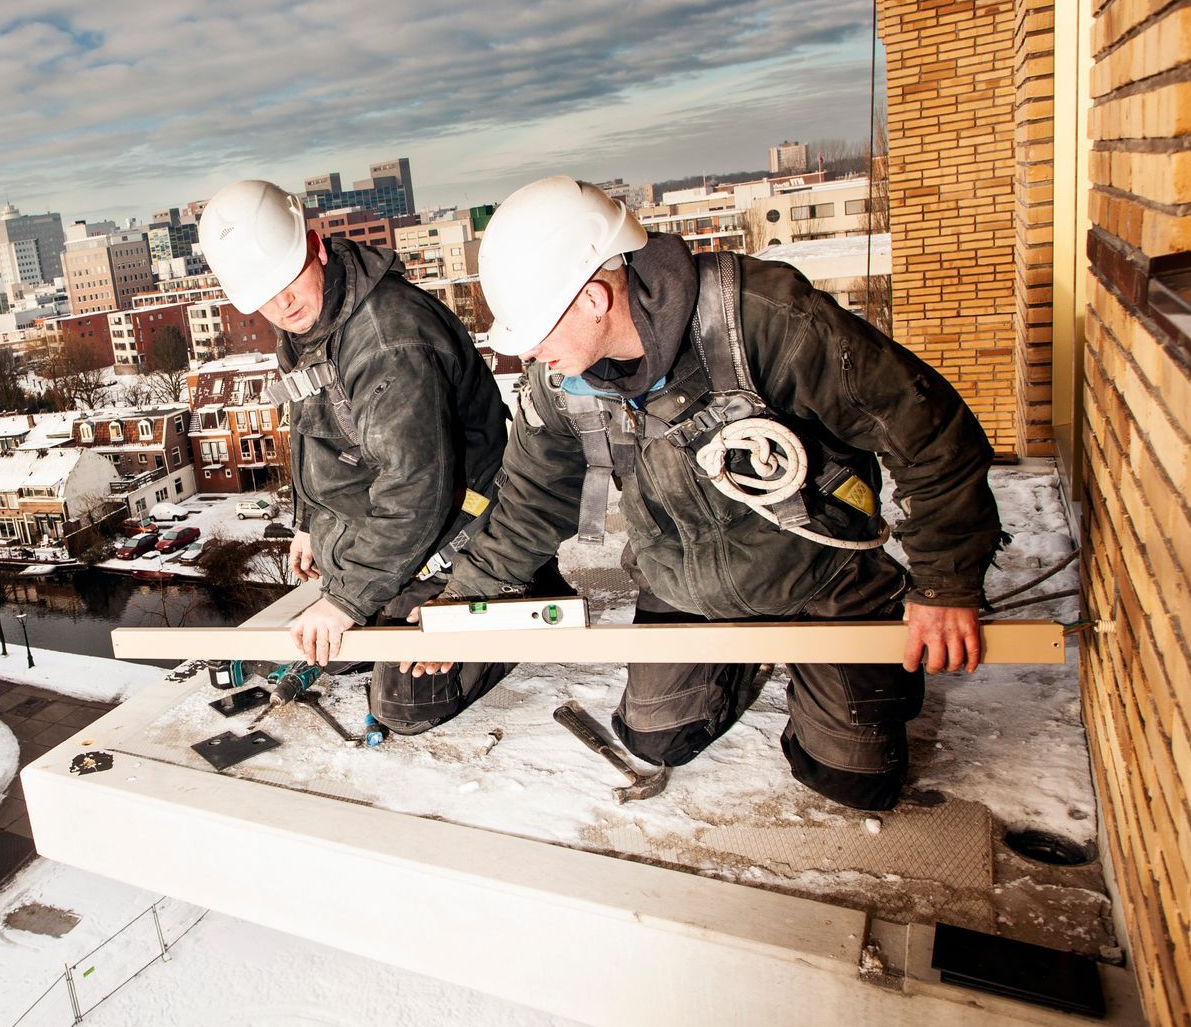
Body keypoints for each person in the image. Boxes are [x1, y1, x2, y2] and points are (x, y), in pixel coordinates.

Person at [408, 176, 999, 810]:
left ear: (594, 299)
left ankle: (854, 645)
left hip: (818, 569)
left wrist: (945, 585)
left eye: (538, 330)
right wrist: (466, 598)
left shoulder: (763, 320)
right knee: (657, 738)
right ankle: (746, 656)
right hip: (683, 578)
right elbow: (531, 498)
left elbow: (929, 436)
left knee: (853, 781)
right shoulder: (564, 380)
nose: (532, 352)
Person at [197, 179, 513, 736]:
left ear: (316, 247)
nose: (282, 303)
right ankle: (383, 601)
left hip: (459, 531)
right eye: (263, 294)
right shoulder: (315, 319)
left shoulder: (388, 339)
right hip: (405, 529)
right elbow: (311, 427)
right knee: (325, 649)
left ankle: (518, 602)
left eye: (288, 278)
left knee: (405, 704)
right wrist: (307, 523)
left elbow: (416, 487)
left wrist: (345, 599)